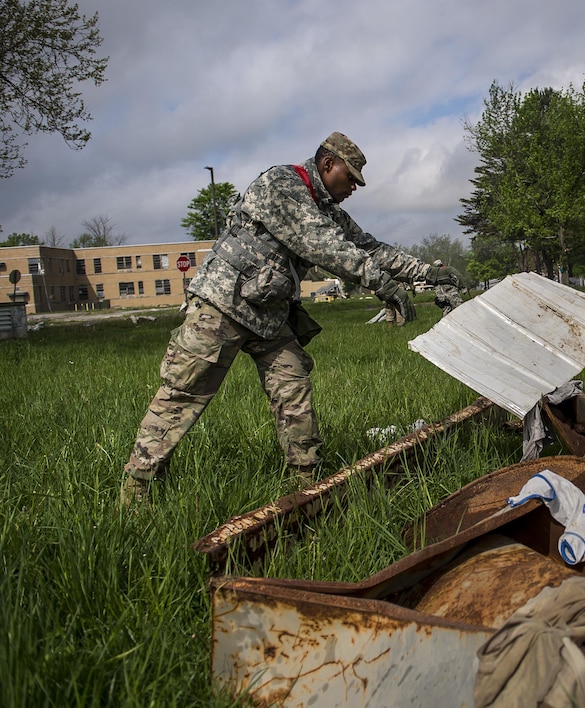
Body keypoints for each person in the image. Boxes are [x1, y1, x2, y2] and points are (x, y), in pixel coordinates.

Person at [120, 132, 435, 506]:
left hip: (269, 315)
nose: (353, 187)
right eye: (349, 178)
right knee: (183, 393)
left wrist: (427, 274)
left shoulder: (327, 210)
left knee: (294, 389)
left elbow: (369, 247)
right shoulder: (282, 184)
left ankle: (306, 485)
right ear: (327, 164)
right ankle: (138, 487)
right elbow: (322, 245)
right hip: (223, 305)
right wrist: (381, 284)